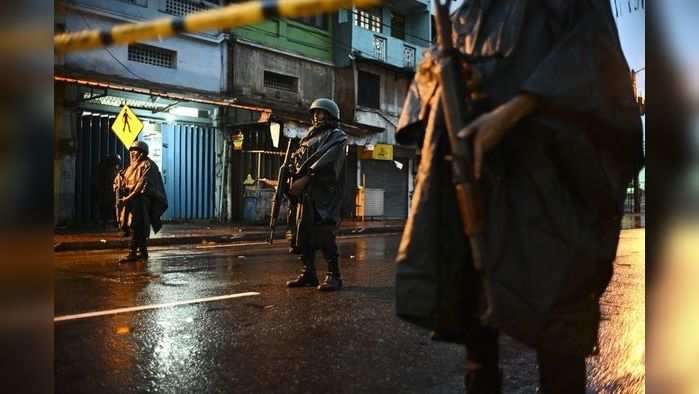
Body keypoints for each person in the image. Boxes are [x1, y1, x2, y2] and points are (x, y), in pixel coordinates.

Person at [394, 1, 644, 393]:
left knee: (557, 326)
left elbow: (594, 64)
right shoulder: (469, 13)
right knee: (478, 326)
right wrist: (445, 80)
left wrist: (514, 111)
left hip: (549, 189)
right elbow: (428, 85)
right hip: (479, 184)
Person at [285, 98, 348, 291]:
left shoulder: (336, 136)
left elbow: (327, 163)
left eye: (319, 113)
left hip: (323, 193)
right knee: (302, 233)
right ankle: (309, 272)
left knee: (324, 233)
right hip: (304, 195)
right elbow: (299, 161)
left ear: (329, 114)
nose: (315, 116)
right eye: (313, 113)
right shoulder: (309, 137)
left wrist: (306, 179)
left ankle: (334, 275)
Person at [114, 141, 168, 262]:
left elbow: (141, 184)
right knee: (135, 226)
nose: (132, 153)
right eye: (131, 150)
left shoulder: (148, 165)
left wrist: (127, 198)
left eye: (135, 150)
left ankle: (132, 252)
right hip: (130, 202)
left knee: (136, 225)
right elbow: (124, 179)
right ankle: (143, 252)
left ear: (142, 153)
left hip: (140, 201)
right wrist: (118, 179)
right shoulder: (130, 167)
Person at [95, 154, 122, 228]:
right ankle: (106, 222)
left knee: (111, 207)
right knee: (106, 207)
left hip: (111, 191)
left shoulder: (114, 168)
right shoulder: (106, 169)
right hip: (106, 191)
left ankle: (112, 222)